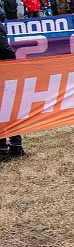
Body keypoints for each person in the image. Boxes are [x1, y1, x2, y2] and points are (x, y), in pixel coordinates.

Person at [0, 21, 24, 161]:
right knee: (10, 108)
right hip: (6, 71)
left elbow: (4, 49)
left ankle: (6, 149)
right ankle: (15, 146)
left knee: (7, 108)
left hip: (4, 72)